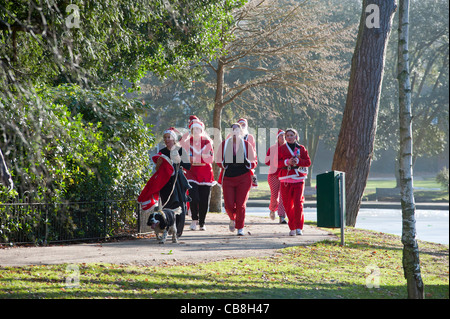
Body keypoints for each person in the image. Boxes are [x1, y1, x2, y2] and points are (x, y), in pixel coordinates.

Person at [216, 122, 257, 236]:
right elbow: (218, 160)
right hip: (228, 177)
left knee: (241, 204)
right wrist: (224, 163)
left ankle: (240, 227)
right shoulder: (224, 144)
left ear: (241, 132)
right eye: (233, 129)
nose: (235, 131)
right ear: (230, 132)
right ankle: (232, 218)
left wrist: (247, 162)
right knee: (228, 205)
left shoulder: (247, 144)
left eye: (237, 129)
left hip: (243, 177)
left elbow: (254, 162)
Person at [154, 127, 192, 238]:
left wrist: (178, 159)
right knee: (167, 205)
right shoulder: (162, 152)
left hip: (178, 181)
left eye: (168, 137)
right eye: (165, 138)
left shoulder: (180, 150)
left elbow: (188, 166)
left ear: (174, 139)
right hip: (166, 181)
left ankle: (178, 230)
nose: (166, 140)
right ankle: (168, 227)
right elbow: (157, 169)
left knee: (180, 205)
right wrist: (159, 164)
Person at [181, 116, 215, 231]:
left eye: (198, 129)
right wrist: (201, 158)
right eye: (193, 129)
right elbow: (185, 158)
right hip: (192, 174)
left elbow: (209, 159)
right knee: (194, 197)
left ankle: (202, 222)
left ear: (201, 130)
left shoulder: (207, 142)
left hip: (205, 174)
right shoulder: (187, 142)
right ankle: (194, 219)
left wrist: (195, 158)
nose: (195, 131)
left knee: (204, 199)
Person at [277, 128, 311, 236]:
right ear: (285, 137)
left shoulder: (301, 148)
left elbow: (308, 162)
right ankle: (292, 226)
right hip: (285, 179)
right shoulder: (281, 149)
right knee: (287, 204)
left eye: (291, 135)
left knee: (298, 203)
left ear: (296, 136)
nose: (289, 137)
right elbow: (276, 163)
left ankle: (299, 227)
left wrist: (299, 161)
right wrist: (287, 162)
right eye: (287, 136)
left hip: (298, 179)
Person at [265, 129, 287, 224]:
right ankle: (272, 209)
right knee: (274, 196)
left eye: (284, 136)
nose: (282, 138)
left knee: (283, 196)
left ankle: (282, 216)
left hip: (285, 175)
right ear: (277, 138)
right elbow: (267, 161)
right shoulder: (272, 148)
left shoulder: (288, 148)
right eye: (280, 136)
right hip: (273, 175)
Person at [237, 118, 258, 187]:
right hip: (235, 163)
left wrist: (251, 161)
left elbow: (253, 151)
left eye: (244, 125)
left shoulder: (250, 137)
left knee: (247, 186)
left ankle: (254, 183)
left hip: (246, 163)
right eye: (240, 125)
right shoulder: (232, 136)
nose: (242, 126)